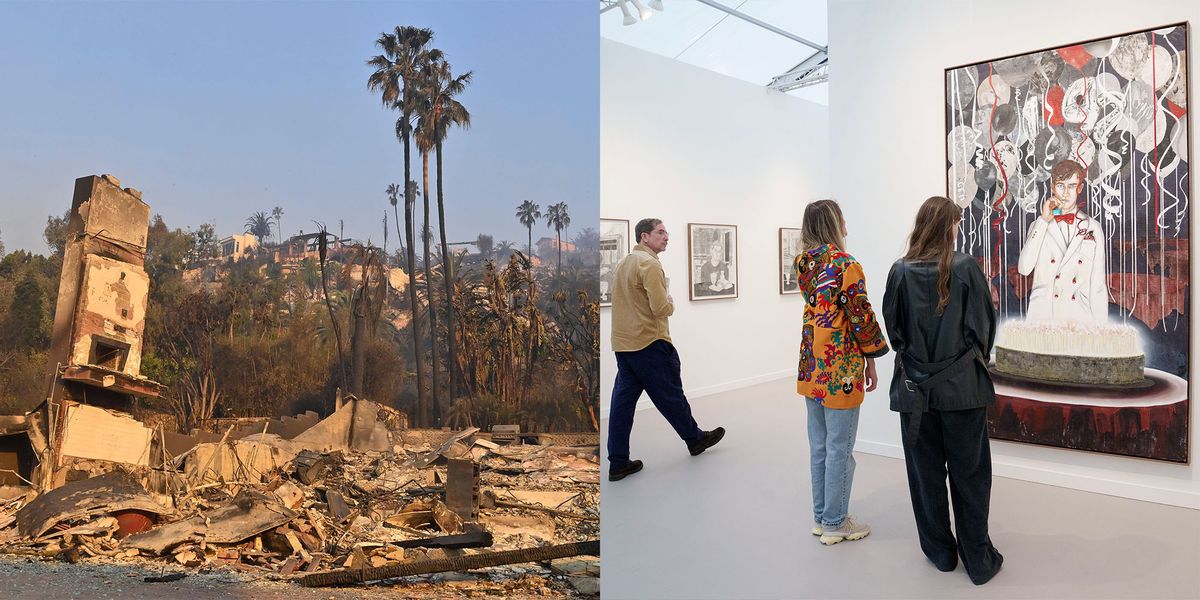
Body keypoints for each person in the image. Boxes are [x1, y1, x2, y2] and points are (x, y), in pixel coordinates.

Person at [882, 195, 1004, 585]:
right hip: (963, 393)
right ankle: (978, 559)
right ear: (945, 226)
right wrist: (968, 362)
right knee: (970, 475)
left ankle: (941, 553)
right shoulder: (965, 267)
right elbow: (983, 328)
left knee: (925, 476)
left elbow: (895, 332)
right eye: (955, 223)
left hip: (915, 393)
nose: (957, 230)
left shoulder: (899, 272)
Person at [794, 199, 889, 545]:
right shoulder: (846, 264)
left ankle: (821, 518)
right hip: (841, 368)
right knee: (840, 448)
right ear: (833, 222)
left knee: (819, 446)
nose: (847, 222)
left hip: (812, 364)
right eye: (842, 217)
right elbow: (860, 316)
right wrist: (873, 359)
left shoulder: (804, 263)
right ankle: (835, 522)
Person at [607, 218, 725, 481]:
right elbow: (660, 308)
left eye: (666, 233)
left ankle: (617, 461)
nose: (666, 237)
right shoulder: (649, 265)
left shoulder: (624, 263)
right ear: (644, 237)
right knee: (671, 395)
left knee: (622, 405)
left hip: (624, 345)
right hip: (649, 342)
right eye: (660, 232)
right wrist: (670, 302)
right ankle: (694, 439)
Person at [1016, 159, 1107, 323]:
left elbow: (1098, 286)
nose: (1065, 193)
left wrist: (1100, 329)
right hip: (1043, 317)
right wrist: (1043, 221)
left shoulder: (1092, 228)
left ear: (1079, 188)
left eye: (1071, 186)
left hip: (1079, 319)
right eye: (1060, 185)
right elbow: (1024, 268)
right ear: (1052, 187)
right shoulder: (1039, 225)